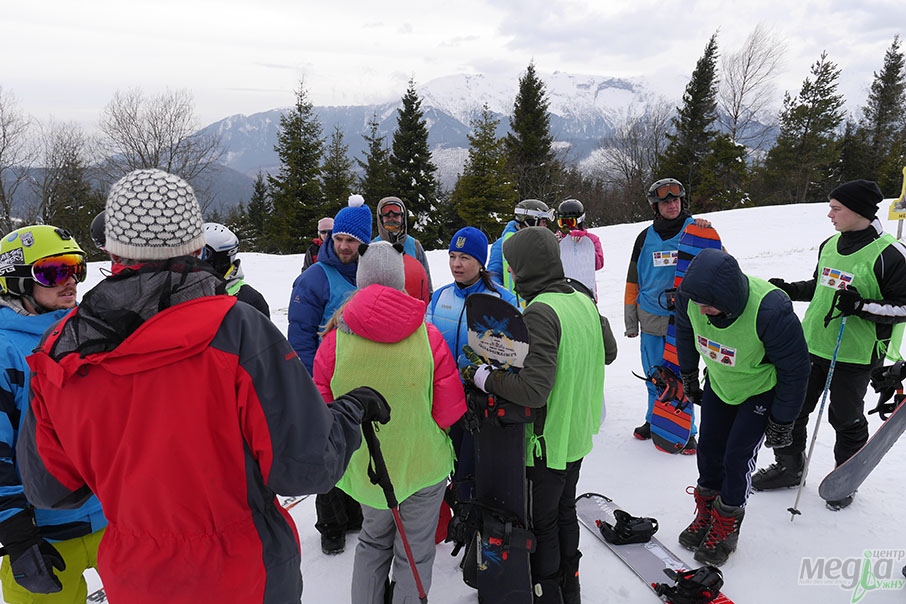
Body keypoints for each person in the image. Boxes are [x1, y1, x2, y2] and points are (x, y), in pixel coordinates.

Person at [14, 169, 391, 604]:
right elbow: (306, 468)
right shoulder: (239, 331)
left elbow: (50, 488)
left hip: (138, 582)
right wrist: (348, 413)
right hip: (246, 576)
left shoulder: (62, 349)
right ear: (195, 245)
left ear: (111, 248)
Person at [461, 226, 617, 604]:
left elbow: (533, 391)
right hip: (576, 431)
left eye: (513, 266)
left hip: (547, 441)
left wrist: (487, 377)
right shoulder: (580, 298)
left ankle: (546, 592)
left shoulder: (541, 312)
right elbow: (607, 350)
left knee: (542, 524)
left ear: (527, 268)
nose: (510, 273)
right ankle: (569, 589)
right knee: (564, 513)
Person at [313, 241, 466, 603]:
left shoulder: (334, 340)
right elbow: (448, 412)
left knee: (372, 541)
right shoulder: (428, 338)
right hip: (421, 466)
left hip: (365, 466)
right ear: (401, 278)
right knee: (415, 552)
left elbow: (324, 411)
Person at [751, 179, 906, 510]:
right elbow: (824, 289)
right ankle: (789, 467)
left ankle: (844, 478)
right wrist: (791, 289)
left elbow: (903, 306)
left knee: (845, 417)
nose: (830, 214)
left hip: (856, 354)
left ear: (858, 212)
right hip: (811, 345)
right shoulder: (830, 244)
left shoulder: (890, 254)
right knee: (791, 410)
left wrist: (862, 306)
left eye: (836, 208)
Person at [674, 248, 810, 566]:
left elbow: (796, 369)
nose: (702, 311)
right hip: (721, 384)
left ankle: (726, 526)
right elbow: (684, 331)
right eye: (698, 303)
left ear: (728, 296)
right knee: (708, 450)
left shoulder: (770, 309)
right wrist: (689, 374)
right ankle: (707, 514)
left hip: (759, 391)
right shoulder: (689, 299)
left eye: (709, 304)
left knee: (737, 457)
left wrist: (783, 420)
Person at [0, 225, 107, 603]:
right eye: (52, 272)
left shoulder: (91, 331)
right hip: (44, 533)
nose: (70, 282)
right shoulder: (5, 351)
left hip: (113, 516)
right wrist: (17, 534)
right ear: (15, 283)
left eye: (76, 269)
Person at [287, 194, 373, 555]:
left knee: (358, 447)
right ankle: (331, 526)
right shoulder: (314, 278)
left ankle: (355, 514)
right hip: (324, 379)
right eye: (337, 238)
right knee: (329, 452)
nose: (342, 246)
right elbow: (300, 336)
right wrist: (311, 384)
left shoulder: (369, 273)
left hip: (360, 378)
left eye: (350, 240)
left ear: (363, 243)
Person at [426, 227, 518, 505]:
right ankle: (455, 511)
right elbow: (425, 345)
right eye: (452, 256)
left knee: (476, 469)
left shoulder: (502, 300)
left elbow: (514, 357)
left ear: (480, 262)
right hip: (443, 397)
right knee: (446, 462)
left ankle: (473, 518)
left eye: (465, 257)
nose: (456, 264)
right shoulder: (440, 297)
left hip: (481, 401)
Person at [624, 178, 711, 452]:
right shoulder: (644, 237)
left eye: (675, 200)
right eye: (665, 201)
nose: (672, 205)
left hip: (685, 319)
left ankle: (687, 430)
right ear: (655, 207)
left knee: (683, 377)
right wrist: (630, 321)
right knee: (654, 375)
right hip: (650, 316)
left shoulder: (697, 232)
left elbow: (720, 269)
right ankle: (655, 420)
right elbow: (632, 280)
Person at [488, 199, 554, 304]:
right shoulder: (501, 244)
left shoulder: (541, 244)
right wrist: (505, 301)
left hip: (540, 307)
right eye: (543, 222)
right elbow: (493, 278)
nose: (546, 226)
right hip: (513, 308)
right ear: (531, 221)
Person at [202, 222, 270, 316]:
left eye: (204, 253)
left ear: (221, 258)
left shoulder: (249, 300)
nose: (194, 259)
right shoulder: (185, 289)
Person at [373, 196, 433, 299]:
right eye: (387, 217)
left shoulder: (415, 245)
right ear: (381, 219)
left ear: (402, 217)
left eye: (396, 216)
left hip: (412, 305)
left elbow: (426, 281)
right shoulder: (373, 247)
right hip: (382, 308)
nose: (392, 219)